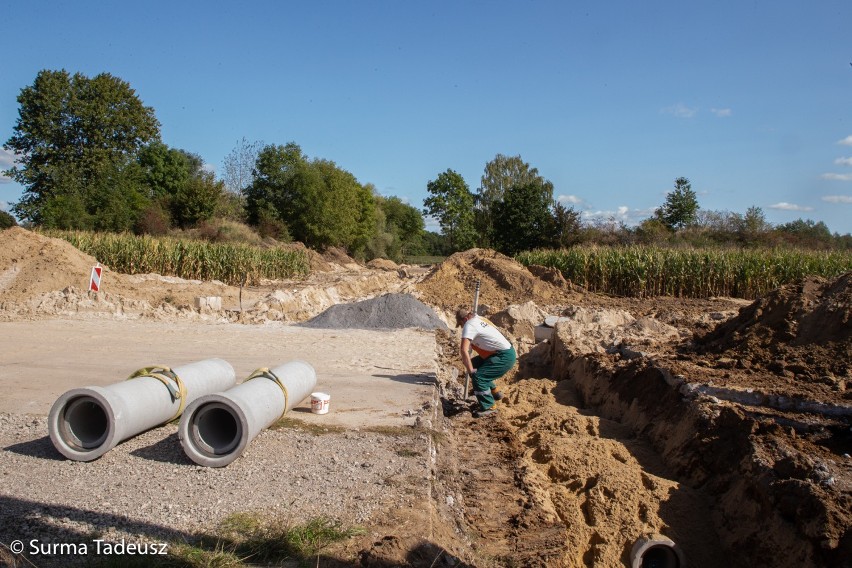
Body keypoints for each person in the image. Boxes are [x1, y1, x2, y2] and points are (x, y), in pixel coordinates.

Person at [455, 306, 517, 417]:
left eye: (461, 325)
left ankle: (489, 406)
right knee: (473, 364)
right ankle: (495, 391)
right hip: (500, 353)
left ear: (464, 320)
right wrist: (470, 366)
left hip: (504, 356)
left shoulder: (469, 325)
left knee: (478, 377)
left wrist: (471, 372)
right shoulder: (478, 319)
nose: (462, 328)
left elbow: (463, 350)